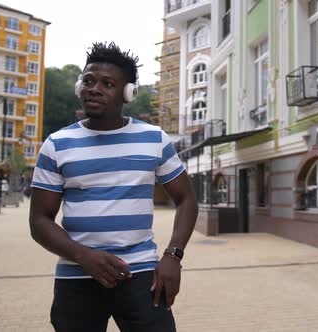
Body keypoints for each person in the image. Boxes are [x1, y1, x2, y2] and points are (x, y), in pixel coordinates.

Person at [29, 41, 198, 332]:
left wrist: (173, 256)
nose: (93, 88)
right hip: (76, 277)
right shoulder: (56, 144)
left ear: (128, 93)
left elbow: (186, 200)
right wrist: (83, 255)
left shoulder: (154, 139)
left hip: (142, 276)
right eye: (88, 80)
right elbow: (39, 221)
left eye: (107, 83)